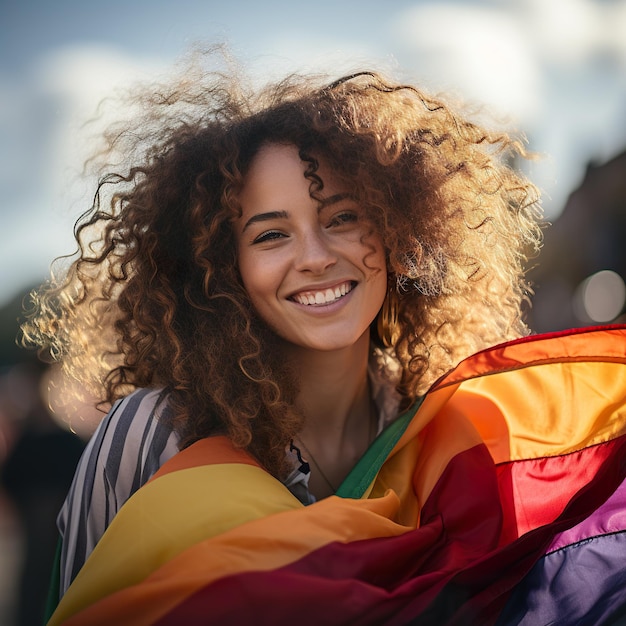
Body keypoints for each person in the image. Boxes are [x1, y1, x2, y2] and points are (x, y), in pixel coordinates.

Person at [21, 51, 626, 625]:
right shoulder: (152, 436)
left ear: (396, 232)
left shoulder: (447, 436)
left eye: (342, 218)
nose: (315, 257)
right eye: (270, 235)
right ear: (219, 268)